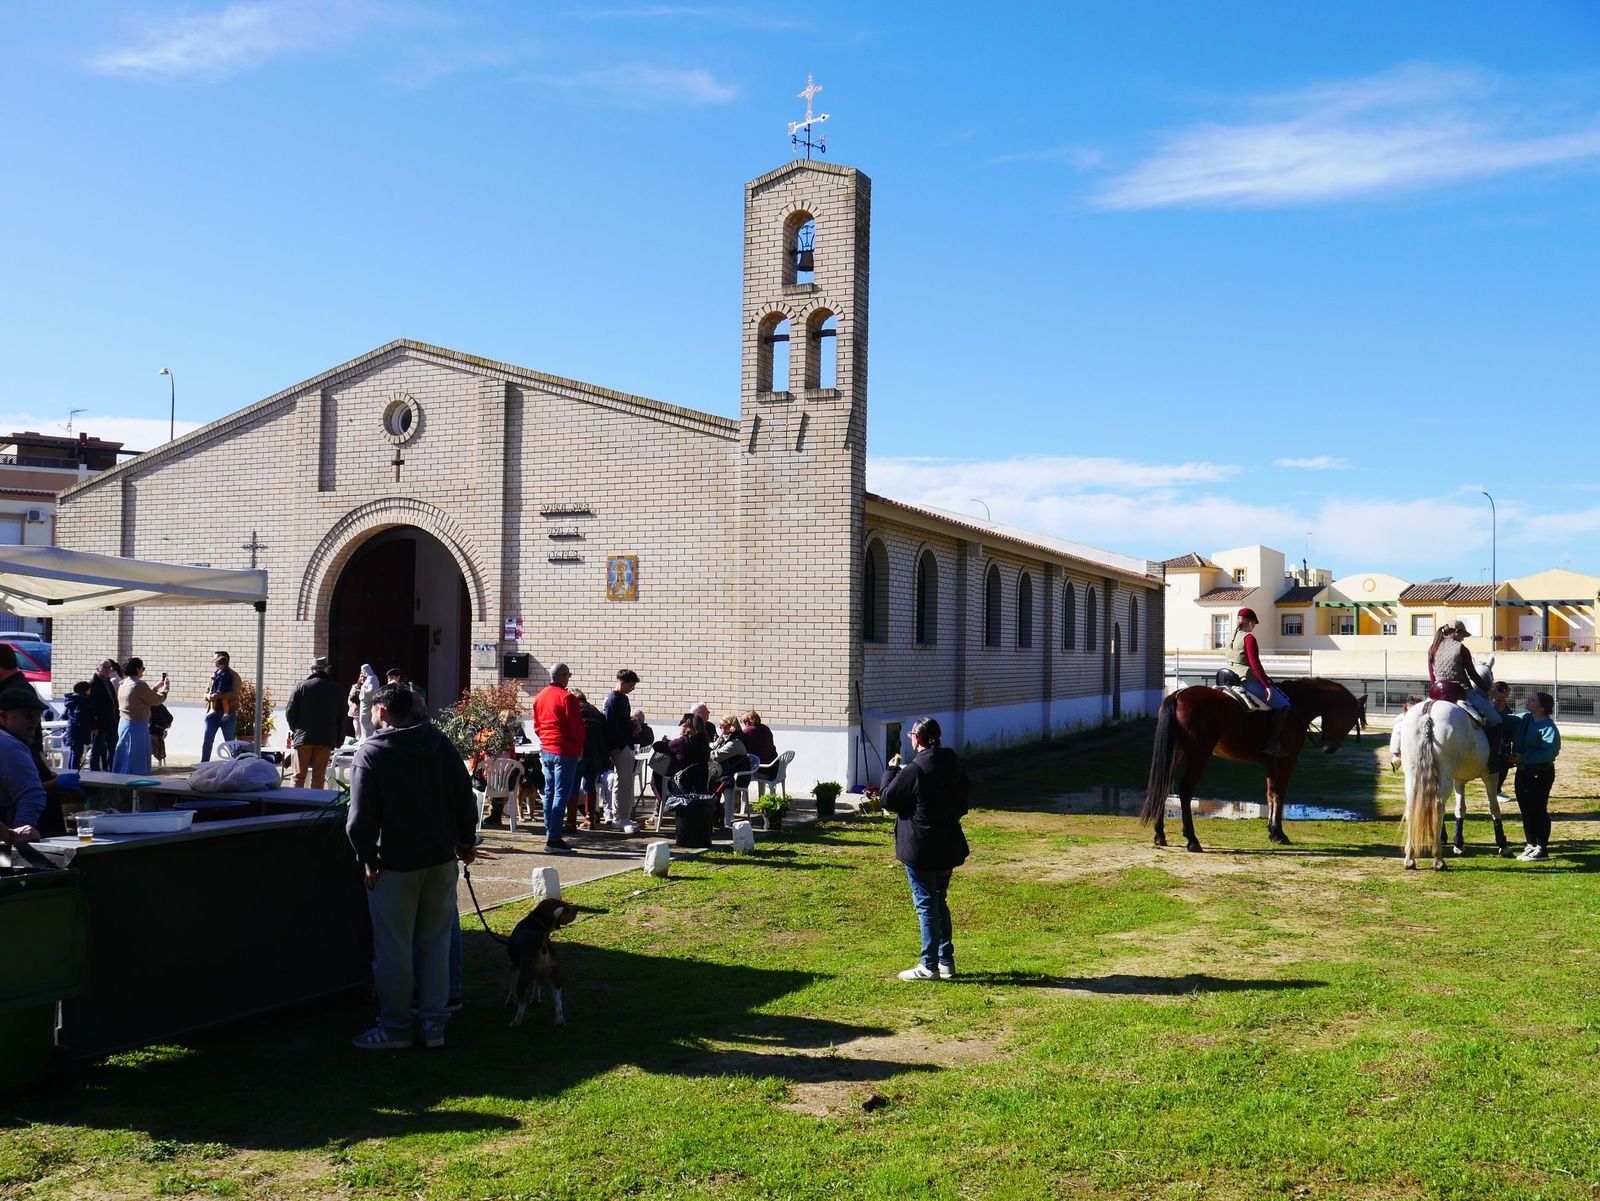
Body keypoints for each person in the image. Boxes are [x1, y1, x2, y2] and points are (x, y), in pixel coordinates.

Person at [346, 684, 477, 1050]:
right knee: (436, 942)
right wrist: (467, 842)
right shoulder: (439, 743)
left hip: (395, 865)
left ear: (382, 712)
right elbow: (463, 797)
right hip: (439, 859)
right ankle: (433, 1024)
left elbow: (358, 821)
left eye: (372, 710)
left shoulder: (371, 752)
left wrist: (368, 859)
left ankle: (395, 1027)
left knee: (394, 949)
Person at [879, 717, 970, 982]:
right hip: (948, 842)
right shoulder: (952, 764)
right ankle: (946, 961)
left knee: (926, 905)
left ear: (917, 739)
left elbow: (888, 798)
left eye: (911, 735)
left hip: (921, 847)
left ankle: (928, 966)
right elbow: (962, 801)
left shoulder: (915, 769)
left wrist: (890, 772)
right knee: (939, 901)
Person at [1431, 620, 1503, 770]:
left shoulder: (1433, 647)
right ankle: (1494, 761)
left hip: (1436, 692)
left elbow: (1432, 676)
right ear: (1456, 632)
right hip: (1460, 691)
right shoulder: (1461, 649)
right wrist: (1489, 691)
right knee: (1496, 720)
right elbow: (1473, 675)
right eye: (1463, 634)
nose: (1463, 638)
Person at [532, 663, 584, 854]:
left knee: (549, 791)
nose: (569, 678)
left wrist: (545, 740)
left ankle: (550, 831)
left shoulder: (540, 697)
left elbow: (537, 726)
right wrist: (579, 747)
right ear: (562, 677)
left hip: (546, 749)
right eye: (568, 675)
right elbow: (577, 728)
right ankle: (553, 838)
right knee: (561, 793)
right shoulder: (567, 698)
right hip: (564, 750)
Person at [1225, 608, 1291, 756]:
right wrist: (1267, 686)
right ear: (1250, 622)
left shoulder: (1231, 637)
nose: (1254, 627)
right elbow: (1255, 664)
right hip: (1246, 681)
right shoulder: (1249, 638)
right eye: (1254, 623)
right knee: (1284, 705)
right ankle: (1271, 743)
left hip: (1229, 679)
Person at [1510, 691, 1560, 862]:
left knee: (1538, 809)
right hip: (1523, 771)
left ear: (1541, 707)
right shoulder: (1526, 718)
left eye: (1532, 700)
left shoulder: (1548, 727)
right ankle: (1531, 845)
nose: (1528, 701)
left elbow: (1549, 753)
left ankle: (1542, 848)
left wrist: (1523, 758)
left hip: (1540, 773)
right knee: (1526, 810)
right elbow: (1507, 719)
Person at [287, 656, 345, 789]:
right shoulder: (337, 689)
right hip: (326, 738)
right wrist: (339, 739)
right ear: (327, 670)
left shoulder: (301, 687)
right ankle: (315, 806)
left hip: (303, 737)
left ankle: (295, 804)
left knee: (299, 775)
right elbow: (342, 717)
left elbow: (290, 712)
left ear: (312, 670)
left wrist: (296, 730)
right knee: (319, 776)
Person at [0, 686, 48, 844]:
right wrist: (16, 836)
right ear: (4, 718)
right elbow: (31, 794)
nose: (35, 721)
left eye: (37, 716)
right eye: (28, 716)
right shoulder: (8, 745)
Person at [112, 657, 169, 774]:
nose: (143, 671)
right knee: (137, 756)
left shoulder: (123, 683)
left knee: (124, 754)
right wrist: (165, 689)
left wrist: (154, 688)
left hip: (124, 723)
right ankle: (134, 780)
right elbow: (155, 700)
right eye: (143, 668)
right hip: (137, 725)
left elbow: (138, 697)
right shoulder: (139, 685)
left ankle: (120, 778)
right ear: (137, 669)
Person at [603, 669, 640, 831]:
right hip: (620, 746)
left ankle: (623, 815)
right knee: (622, 781)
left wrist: (632, 725)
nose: (632, 688)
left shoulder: (623, 699)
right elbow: (610, 726)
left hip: (626, 744)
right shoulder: (613, 700)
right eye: (631, 685)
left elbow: (622, 723)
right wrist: (621, 745)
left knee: (627, 782)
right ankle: (619, 817)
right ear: (622, 683)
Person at [651, 713, 710, 810]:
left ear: (688, 727)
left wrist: (667, 742)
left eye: (682, 724)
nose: (679, 726)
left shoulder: (681, 742)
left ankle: (664, 802)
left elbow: (657, 746)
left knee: (657, 769)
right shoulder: (704, 743)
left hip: (680, 783)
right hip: (699, 784)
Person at [571, 689, 609, 831]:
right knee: (590, 786)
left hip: (580, 753)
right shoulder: (595, 711)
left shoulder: (575, 710)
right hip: (596, 754)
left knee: (573, 787)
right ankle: (590, 819)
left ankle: (571, 821)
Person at [200, 650, 242, 762]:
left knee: (229, 742)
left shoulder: (233, 675)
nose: (214, 662)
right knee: (207, 741)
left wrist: (219, 696)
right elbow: (206, 692)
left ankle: (235, 766)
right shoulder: (213, 675)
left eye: (216, 660)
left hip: (227, 714)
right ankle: (203, 766)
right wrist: (208, 696)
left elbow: (235, 693)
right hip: (211, 713)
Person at [88, 659, 120, 771]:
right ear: (98, 669)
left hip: (111, 722)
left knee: (113, 749)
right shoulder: (93, 684)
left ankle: (113, 771)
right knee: (96, 750)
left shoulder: (109, 682)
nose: (107, 670)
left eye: (109, 667)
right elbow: (90, 707)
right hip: (100, 724)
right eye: (104, 667)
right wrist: (94, 726)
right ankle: (94, 774)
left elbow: (114, 702)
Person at [63, 681, 94, 769]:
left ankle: (70, 771)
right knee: (76, 754)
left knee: (73, 752)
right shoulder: (81, 702)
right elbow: (81, 718)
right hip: (78, 732)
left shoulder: (72, 700)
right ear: (85, 691)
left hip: (72, 730)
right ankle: (73, 772)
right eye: (89, 689)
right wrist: (88, 729)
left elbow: (64, 715)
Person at [353, 663, 382, 741]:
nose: (362, 672)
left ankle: (368, 737)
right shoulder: (368, 679)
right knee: (362, 720)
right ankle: (364, 737)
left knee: (367, 720)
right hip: (364, 703)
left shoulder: (373, 678)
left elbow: (372, 690)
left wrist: (362, 690)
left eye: (363, 670)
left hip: (369, 703)